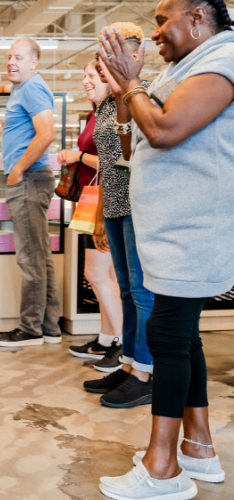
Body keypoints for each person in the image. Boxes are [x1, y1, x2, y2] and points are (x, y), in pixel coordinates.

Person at [97, 2, 233, 498]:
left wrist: (132, 82)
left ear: (197, 17)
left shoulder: (225, 59)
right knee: (183, 337)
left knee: (168, 338)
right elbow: (135, 145)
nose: (155, 33)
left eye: (162, 20)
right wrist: (124, 89)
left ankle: (162, 471)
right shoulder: (186, 67)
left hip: (193, 232)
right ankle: (198, 448)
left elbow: (164, 131)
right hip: (172, 230)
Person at [0, 37, 61, 347]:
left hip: (29, 179)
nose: (11, 62)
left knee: (30, 258)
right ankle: (49, 326)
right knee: (40, 255)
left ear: (34, 63)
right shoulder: (23, 87)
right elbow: (8, 89)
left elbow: (47, 134)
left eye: (19, 57)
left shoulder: (32, 87)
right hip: (30, 178)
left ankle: (30, 329)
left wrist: (17, 170)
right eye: (9, 56)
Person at [82, 23, 155, 409]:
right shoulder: (108, 104)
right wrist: (98, 217)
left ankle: (145, 371)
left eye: (112, 58)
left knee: (141, 292)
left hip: (137, 206)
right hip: (113, 205)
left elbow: (130, 151)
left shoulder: (139, 96)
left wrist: (128, 87)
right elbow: (108, 166)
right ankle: (128, 364)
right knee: (126, 289)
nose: (104, 66)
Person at [62, 61, 124, 372]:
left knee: (98, 275)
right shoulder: (97, 112)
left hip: (106, 201)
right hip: (92, 199)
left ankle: (123, 345)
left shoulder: (114, 111)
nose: (84, 81)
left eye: (90, 76)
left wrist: (77, 156)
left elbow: (114, 160)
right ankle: (106, 338)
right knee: (105, 276)